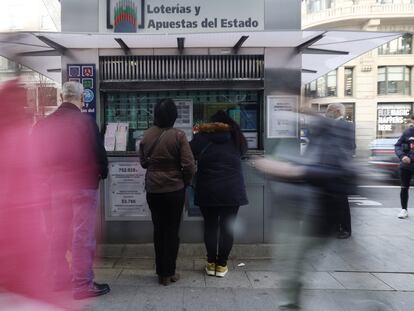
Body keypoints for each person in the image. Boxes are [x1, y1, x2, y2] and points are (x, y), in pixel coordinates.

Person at [254, 112, 356, 310]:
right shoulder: (319, 140)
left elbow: (336, 174)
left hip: (321, 218)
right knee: (291, 260)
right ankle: (290, 301)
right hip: (312, 215)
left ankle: (290, 303)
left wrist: (292, 171)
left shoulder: (333, 138)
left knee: (292, 259)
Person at [32, 81, 110, 300]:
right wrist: (102, 172)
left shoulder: (43, 124)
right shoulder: (86, 122)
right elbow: (99, 153)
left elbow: (35, 158)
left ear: (60, 98)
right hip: (83, 185)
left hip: (55, 187)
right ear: (81, 99)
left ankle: (58, 279)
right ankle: (82, 284)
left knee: (57, 233)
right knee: (82, 235)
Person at [139, 98, 195, 286]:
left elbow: (143, 163)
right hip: (174, 190)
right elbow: (189, 165)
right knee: (171, 231)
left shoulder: (146, 135)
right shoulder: (179, 136)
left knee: (158, 230)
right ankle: (168, 273)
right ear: (174, 116)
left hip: (153, 189)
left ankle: (160, 271)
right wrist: (185, 181)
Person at [190, 110, 248, 277]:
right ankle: (221, 266)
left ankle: (211, 264)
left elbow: (188, 152)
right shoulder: (237, 137)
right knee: (227, 228)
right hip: (232, 190)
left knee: (210, 226)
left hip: (208, 189)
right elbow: (243, 152)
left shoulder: (201, 138)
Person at [325, 103, 355, 239]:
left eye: (328, 110)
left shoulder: (346, 125)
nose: (326, 112)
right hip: (330, 167)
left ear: (337, 111)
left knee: (341, 201)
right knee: (332, 200)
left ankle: (345, 229)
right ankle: (335, 227)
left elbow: (350, 146)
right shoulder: (330, 124)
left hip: (339, 168)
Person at [394, 115, 414, 219]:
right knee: (404, 187)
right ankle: (404, 210)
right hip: (407, 165)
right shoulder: (408, 131)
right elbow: (397, 145)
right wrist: (402, 156)